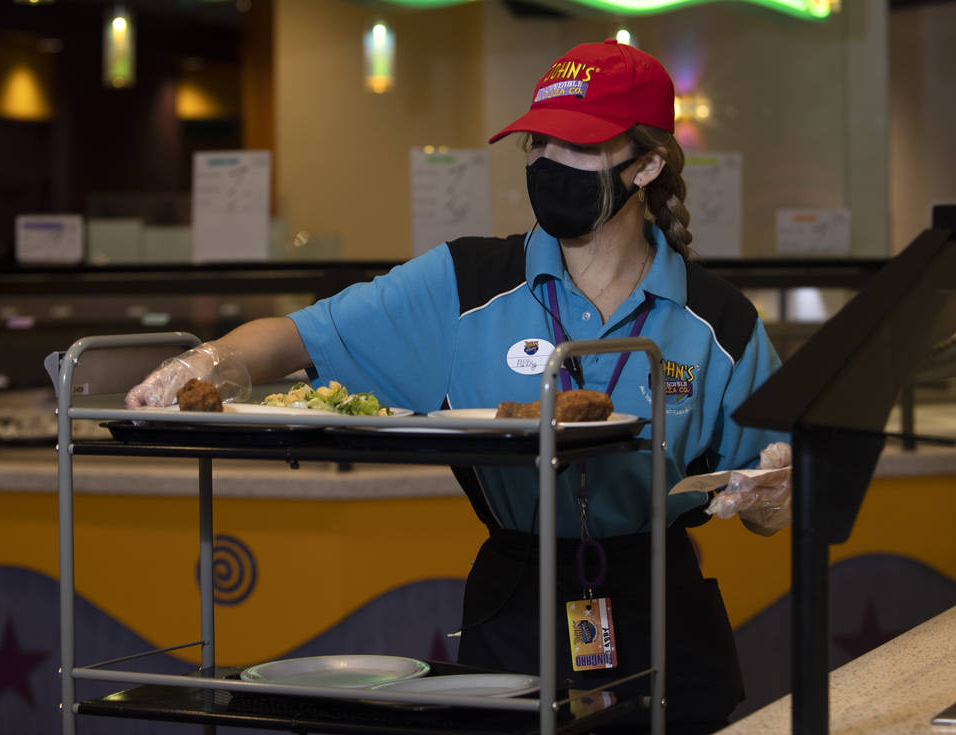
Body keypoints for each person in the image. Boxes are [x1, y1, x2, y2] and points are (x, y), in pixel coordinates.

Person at [126, 39, 790, 731]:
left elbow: (773, 490)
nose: (548, 165)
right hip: (516, 611)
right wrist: (201, 364)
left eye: (578, 146)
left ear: (647, 163)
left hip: (662, 618)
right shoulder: (463, 284)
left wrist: (775, 488)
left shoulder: (720, 322)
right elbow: (301, 334)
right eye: (538, 143)